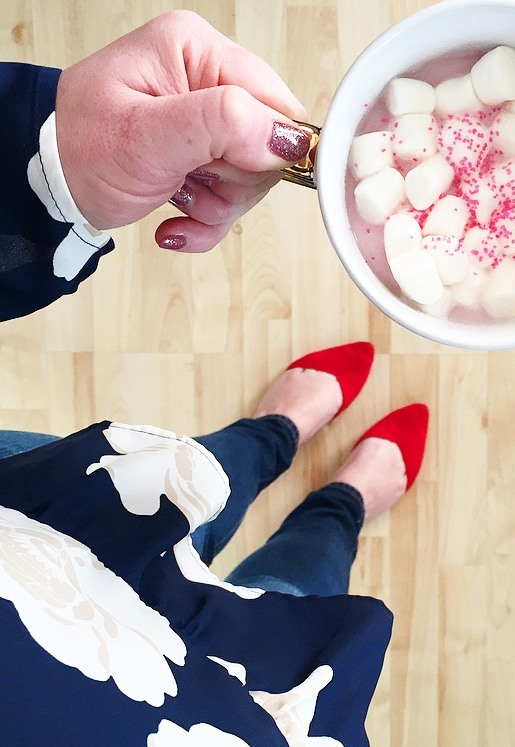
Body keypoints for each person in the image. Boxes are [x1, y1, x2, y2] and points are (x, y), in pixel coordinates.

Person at [0, 11, 429, 746]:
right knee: (280, 620)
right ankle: (340, 504)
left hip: (24, 532)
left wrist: (52, 166)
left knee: (165, 489)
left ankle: (273, 434)